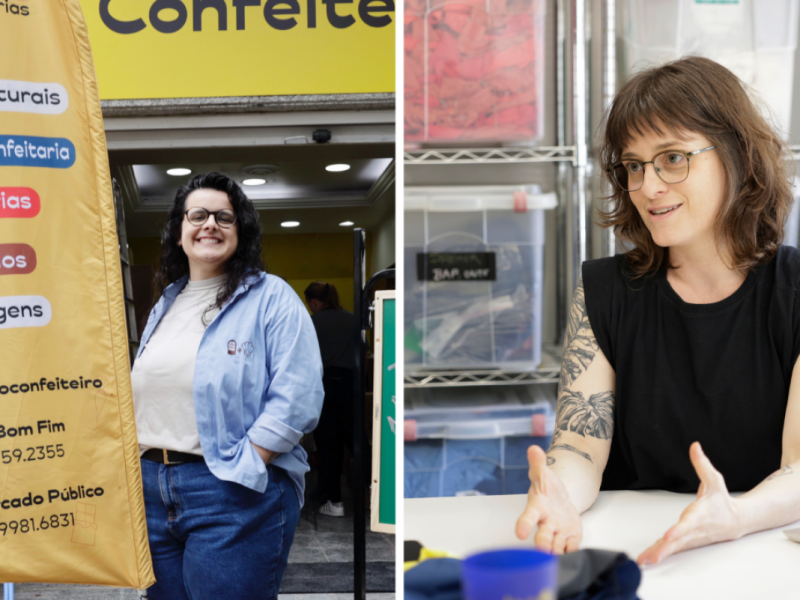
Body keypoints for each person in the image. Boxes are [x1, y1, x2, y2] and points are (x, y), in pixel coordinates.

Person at [515, 56, 800, 566]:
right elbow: (581, 444)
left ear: (737, 155)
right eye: (633, 165)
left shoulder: (794, 289)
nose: (648, 186)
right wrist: (558, 493)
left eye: (673, 158)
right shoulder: (604, 290)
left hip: (762, 550)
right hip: (633, 552)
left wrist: (736, 515)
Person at [131, 172, 323, 600]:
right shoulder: (167, 302)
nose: (210, 224)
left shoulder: (272, 296)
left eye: (224, 217)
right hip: (151, 493)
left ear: (242, 232)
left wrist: (250, 461)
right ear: (179, 232)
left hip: (231, 490)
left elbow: (299, 393)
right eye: (197, 215)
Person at [303, 281, 356, 517]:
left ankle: (333, 501)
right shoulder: (353, 319)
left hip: (324, 385)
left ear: (314, 302)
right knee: (357, 443)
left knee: (328, 446)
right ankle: (374, 495)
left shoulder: (312, 322)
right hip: (351, 384)